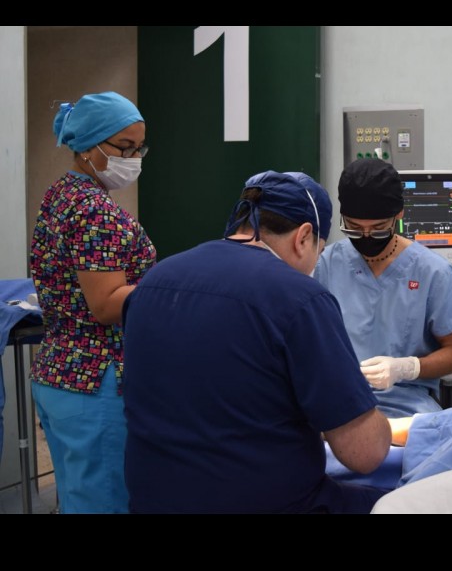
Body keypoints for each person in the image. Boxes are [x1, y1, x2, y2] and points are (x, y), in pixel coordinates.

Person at [122, 171, 391, 513]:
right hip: (266, 503)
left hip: (154, 501)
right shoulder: (299, 298)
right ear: (304, 237)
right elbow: (365, 454)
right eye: (319, 251)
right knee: (403, 500)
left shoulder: (153, 283)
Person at [29, 91, 156, 513]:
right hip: (94, 380)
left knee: (79, 499)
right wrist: (168, 287)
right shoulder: (93, 209)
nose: (133, 159)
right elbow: (105, 304)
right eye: (124, 147)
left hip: (61, 374)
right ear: (88, 146)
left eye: (140, 148)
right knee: (104, 503)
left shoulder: (62, 194)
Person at [315, 159, 452, 418]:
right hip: (340, 399)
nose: (366, 237)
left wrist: (407, 368)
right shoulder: (328, 264)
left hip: (406, 404)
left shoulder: (432, 272)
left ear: (398, 214)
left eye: (378, 229)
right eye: (354, 228)